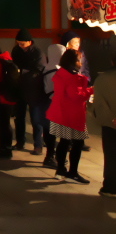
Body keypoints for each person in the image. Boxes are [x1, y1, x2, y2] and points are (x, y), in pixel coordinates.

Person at [48, 49, 94, 183]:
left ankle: (61, 169)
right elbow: (76, 96)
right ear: (74, 62)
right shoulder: (74, 77)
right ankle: (73, 172)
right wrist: (91, 90)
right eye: (79, 60)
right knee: (78, 143)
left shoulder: (60, 73)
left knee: (64, 141)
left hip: (61, 113)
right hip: (73, 115)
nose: (81, 62)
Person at [11, 28, 46, 155]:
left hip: (33, 89)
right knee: (19, 117)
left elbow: (39, 70)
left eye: (22, 44)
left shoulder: (38, 53)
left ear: (29, 42)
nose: (20, 46)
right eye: (18, 43)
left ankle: (38, 145)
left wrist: (23, 72)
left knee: (35, 118)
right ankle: (20, 142)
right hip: (19, 88)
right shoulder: (16, 50)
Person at [92, 50, 116, 197]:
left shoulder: (102, 79)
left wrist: (111, 119)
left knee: (111, 155)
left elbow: (99, 105)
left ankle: (110, 187)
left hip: (110, 125)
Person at [41, 40, 67, 167]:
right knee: (56, 131)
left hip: (47, 103)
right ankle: (53, 156)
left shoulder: (46, 68)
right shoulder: (57, 71)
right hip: (56, 104)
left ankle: (51, 154)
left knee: (49, 130)